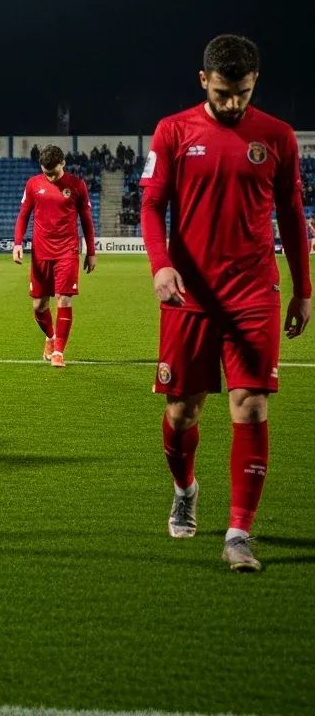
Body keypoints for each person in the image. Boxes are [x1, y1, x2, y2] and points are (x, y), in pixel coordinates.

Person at [140, 34, 311, 573]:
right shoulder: (172, 130)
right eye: (221, 93)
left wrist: (303, 289)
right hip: (189, 294)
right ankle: (186, 489)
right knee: (182, 412)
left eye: (241, 93)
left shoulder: (278, 137)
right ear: (203, 82)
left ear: (254, 82)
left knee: (252, 406)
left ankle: (239, 534)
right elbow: (151, 206)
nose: (232, 104)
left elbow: (291, 216)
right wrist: (160, 264)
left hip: (254, 293)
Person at [12, 144, 97, 368]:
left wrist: (91, 251)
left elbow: (87, 220)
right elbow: (23, 215)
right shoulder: (33, 184)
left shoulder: (77, 186)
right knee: (39, 306)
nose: (49, 177)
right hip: (40, 253)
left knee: (64, 299)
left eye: (54, 172)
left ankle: (59, 351)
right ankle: (50, 338)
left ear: (63, 163)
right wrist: (18, 243)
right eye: (45, 172)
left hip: (67, 251)